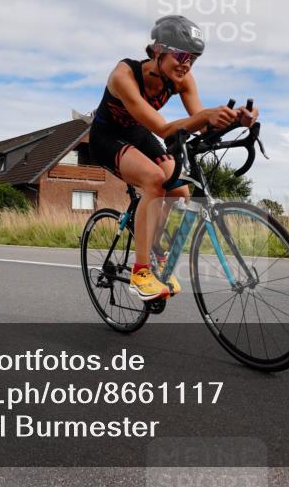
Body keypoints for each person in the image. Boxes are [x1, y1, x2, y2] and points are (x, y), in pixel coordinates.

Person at [89, 15, 258, 302]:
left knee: (180, 189)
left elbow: (202, 124)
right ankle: (140, 273)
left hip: (137, 134)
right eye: (180, 54)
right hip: (107, 136)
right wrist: (204, 116)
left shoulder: (183, 80)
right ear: (157, 51)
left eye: (192, 58)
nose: (186, 64)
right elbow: (166, 129)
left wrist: (235, 121)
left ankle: (156, 250)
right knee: (154, 180)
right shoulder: (124, 75)